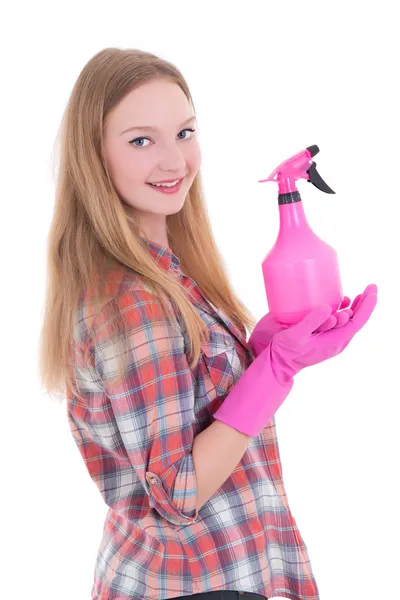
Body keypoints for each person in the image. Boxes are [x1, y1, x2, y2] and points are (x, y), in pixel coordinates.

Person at [38, 48, 377, 600]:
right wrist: (277, 369)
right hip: (194, 586)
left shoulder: (167, 274)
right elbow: (178, 493)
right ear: (93, 156)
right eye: (141, 140)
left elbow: (194, 407)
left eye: (185, 132)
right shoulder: (132, 302)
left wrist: (263, 350)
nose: (176, 162)